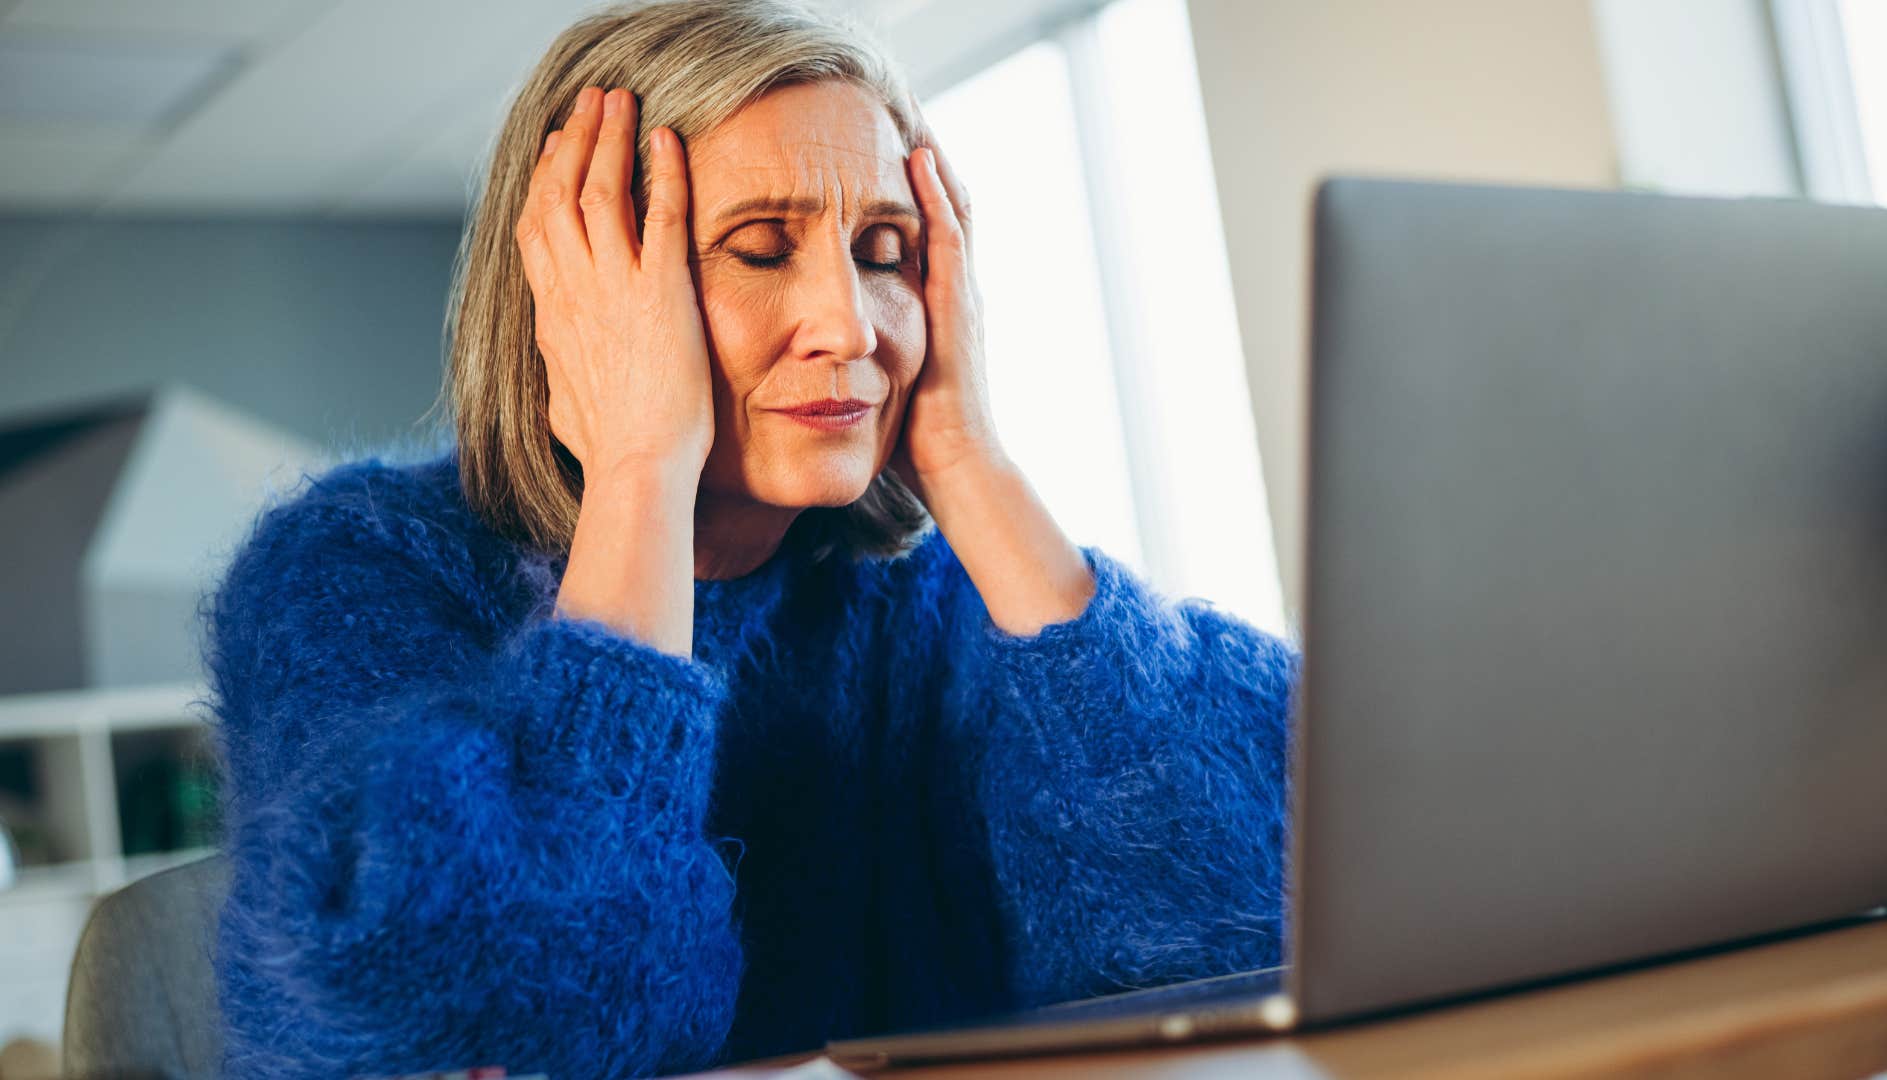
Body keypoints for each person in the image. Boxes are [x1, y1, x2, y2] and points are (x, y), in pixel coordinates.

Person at [199, 1, 1298, 1077]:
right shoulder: (355, 575)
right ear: (577, 294)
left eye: (883, 250)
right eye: (762, 248)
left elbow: (1245, 935)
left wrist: (971, 461)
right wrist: (641, 473)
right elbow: (512, 1017)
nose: (849, 322)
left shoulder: (923, 606)